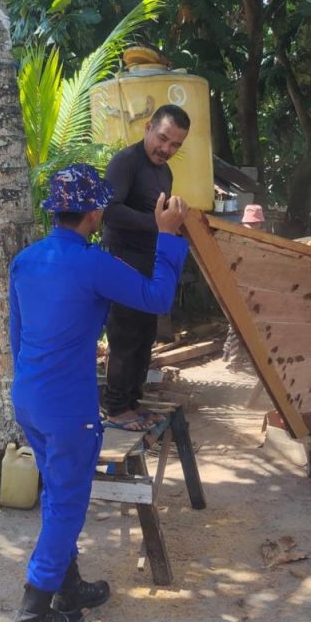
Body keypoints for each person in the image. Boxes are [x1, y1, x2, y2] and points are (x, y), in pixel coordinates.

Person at [6, 164, 190, 622]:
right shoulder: (93, 262)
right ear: (94, 211)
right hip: (68, 407)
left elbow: (17, 335)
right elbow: (157, 296)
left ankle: (69, 590)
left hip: (29, 398)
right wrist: (168, 236)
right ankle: (30, 619)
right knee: (67, 506)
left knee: (56, 493)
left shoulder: (25, 260)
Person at [101, 104, 192, 430]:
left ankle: (133, 404)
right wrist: (157, 222)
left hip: (147, 263)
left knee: (144, 335)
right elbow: (108, 212)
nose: (166, 149)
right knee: (124, 337)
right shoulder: (126, 161)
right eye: (163, 139)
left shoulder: (163, 171)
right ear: (148, 128)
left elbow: (159, 217)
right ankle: (115, 409)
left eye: (175, 145)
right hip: (121, 262)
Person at [222, 204, 265, 371]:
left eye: (255, 224)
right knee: (236, 324)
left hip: (251, 287)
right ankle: (234, 361)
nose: (253, 227)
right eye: (252, 224)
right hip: (239, 287)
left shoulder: (258, 241)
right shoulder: (238, 239)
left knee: (237, 323)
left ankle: (228, 355)